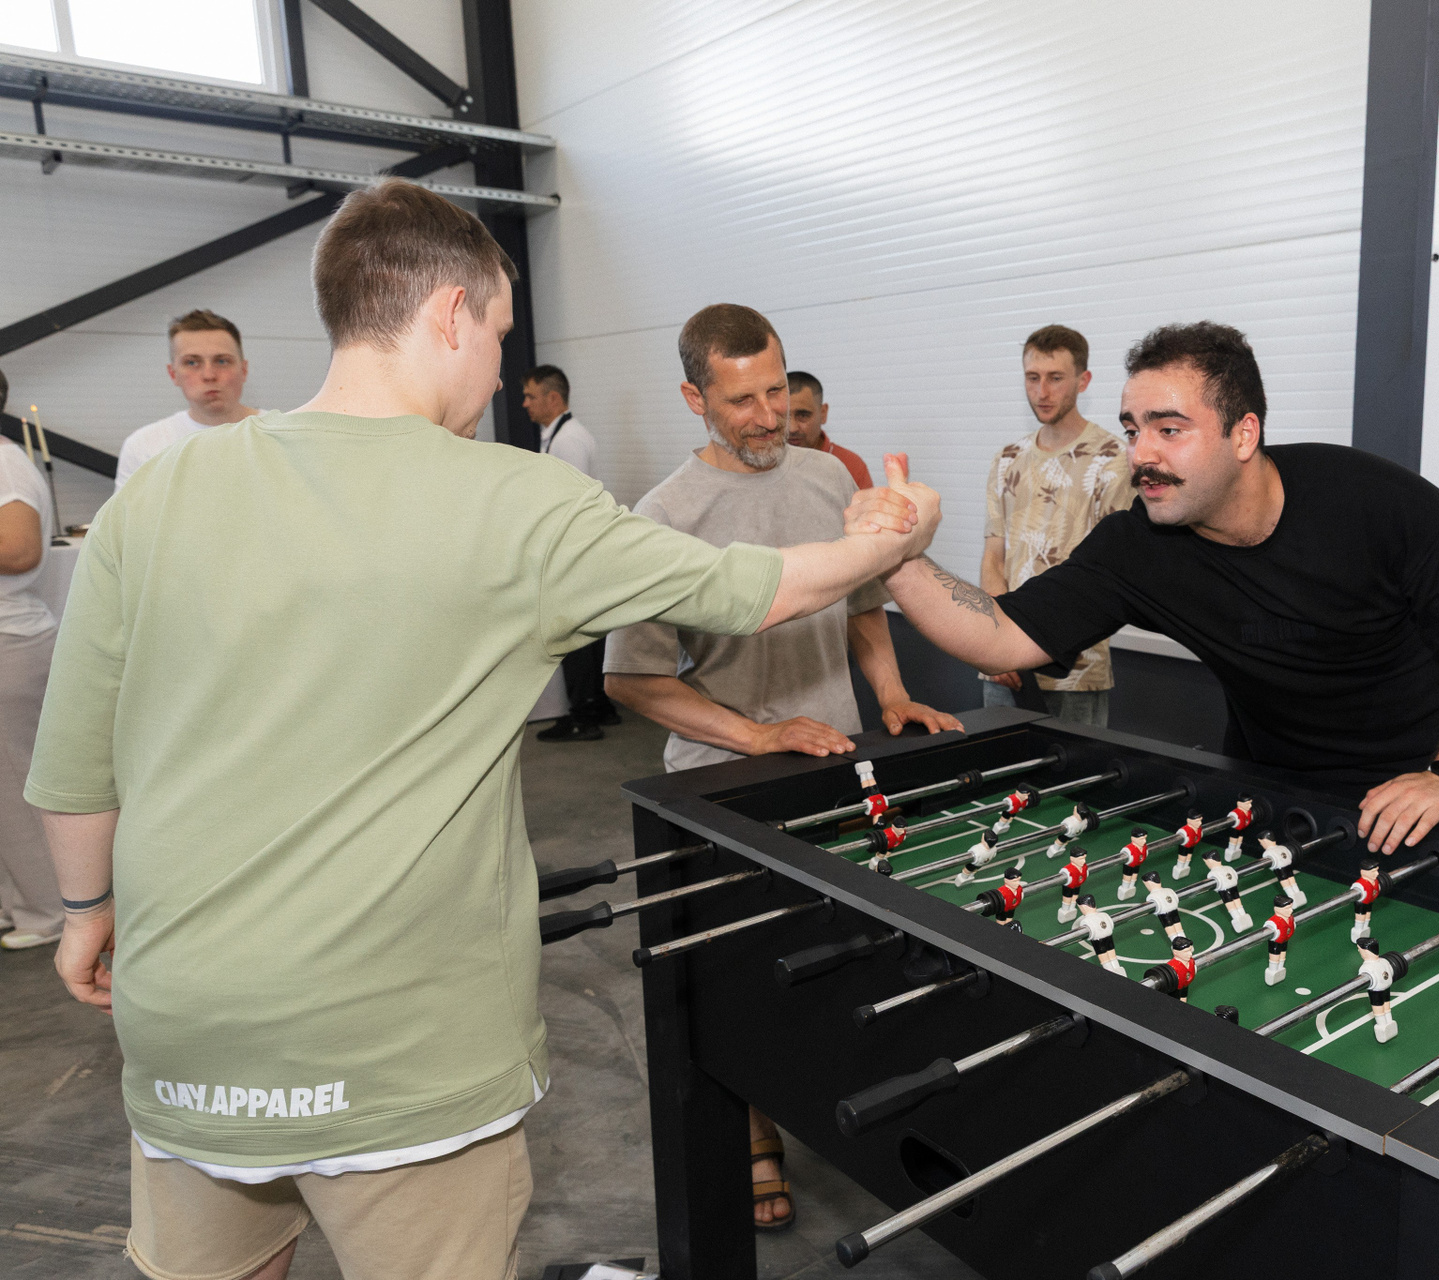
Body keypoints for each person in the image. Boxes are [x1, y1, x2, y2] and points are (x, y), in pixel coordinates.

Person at [26, 181, 941, 1280]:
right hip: (400, 1039)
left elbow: (74, 761)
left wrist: (84, 912)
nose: (503, 371)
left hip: (188, 1026)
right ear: (450, 313)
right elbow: (760, 590)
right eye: (501, 334)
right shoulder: (519, 500)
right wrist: (895, 533)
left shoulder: (154, 495)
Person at [878, 320, 1439, 856]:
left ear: (1244, 434)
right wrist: (897, 557)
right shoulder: (1138, 545)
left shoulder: (1375, 502)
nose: (1142, 453)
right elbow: (1001, 633)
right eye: (1133, 429)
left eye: (1169, 429)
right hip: (1299, 805)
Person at [602, 303, 959, 1230]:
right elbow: (631, 679)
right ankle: (758, 1136)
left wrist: (890, 697)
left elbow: (862, 602)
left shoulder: (827, 476)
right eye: (742, 401)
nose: (769, 417)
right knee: (743, 983)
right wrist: (756, 736)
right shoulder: (663, 517)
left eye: (777, 391)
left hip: (835, 766)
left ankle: (851, 1117)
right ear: (695, 399)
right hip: (721, 785)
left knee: (845, 961)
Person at [978, 325, 1133, 726]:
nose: (1042, 391)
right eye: (1033, 378)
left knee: (1075, 768)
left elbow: (1112, 572)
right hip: (1003, 667)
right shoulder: (1007, 459)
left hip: (1076, 672)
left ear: (1083, 380)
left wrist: (1036, 644)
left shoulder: (1115, 460)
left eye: (1055, 378)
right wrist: (997, 642)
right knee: (995, 765)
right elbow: (994, 557)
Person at [520, 364, 621, 742]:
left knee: (573, 634)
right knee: (586, 632)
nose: (525, 404)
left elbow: (572, 504)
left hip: (575, 552)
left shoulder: (568, 440)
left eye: (530, 396)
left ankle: (583, 715)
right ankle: (598, 706)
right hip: (579, 550)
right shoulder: (561, 435)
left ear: (553, 398)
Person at [0, 367, 62, 950]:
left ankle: (49, 913)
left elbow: (18, 550)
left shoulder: (4, 461)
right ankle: (16, 903)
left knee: (16, 789)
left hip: (9, 641)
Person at [115, 310, 260, 489]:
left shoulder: (281, 434)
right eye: (192, 362)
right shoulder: (143, 447)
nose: (209, 375)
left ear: (244, 370)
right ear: (173, 374)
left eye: (222, 361)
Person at [785, 370, 872, 488]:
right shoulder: (765, 463)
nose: (792, 428)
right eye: (783, 416)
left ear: (823, 413)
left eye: (803, 416)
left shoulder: (850, 466)